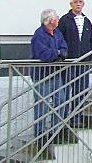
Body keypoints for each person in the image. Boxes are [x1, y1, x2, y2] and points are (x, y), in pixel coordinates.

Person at [57, 0, 92, 127]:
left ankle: (76, 116)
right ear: (71, 4)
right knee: (66, 91)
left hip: (83, 63)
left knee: (81, 90)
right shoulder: (64, 20)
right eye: (75, 2)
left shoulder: (87, 21)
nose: (78, 4)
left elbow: (91, 41)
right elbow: (59, 39)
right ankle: (64, 118)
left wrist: (88, 59)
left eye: (80, 2)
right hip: (69, 62)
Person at [30, 9, 68, 140]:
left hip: (55, 73)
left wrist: (58, 53)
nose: (58, 19)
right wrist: (57, 53)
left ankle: (55, 130)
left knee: (61, 100)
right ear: (50, 20)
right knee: (42, 104)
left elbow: (64, 48)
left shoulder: (57, 32)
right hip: (42, 75)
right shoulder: (39, 34)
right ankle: (39, 133)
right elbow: (43, 55)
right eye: (56, 17)